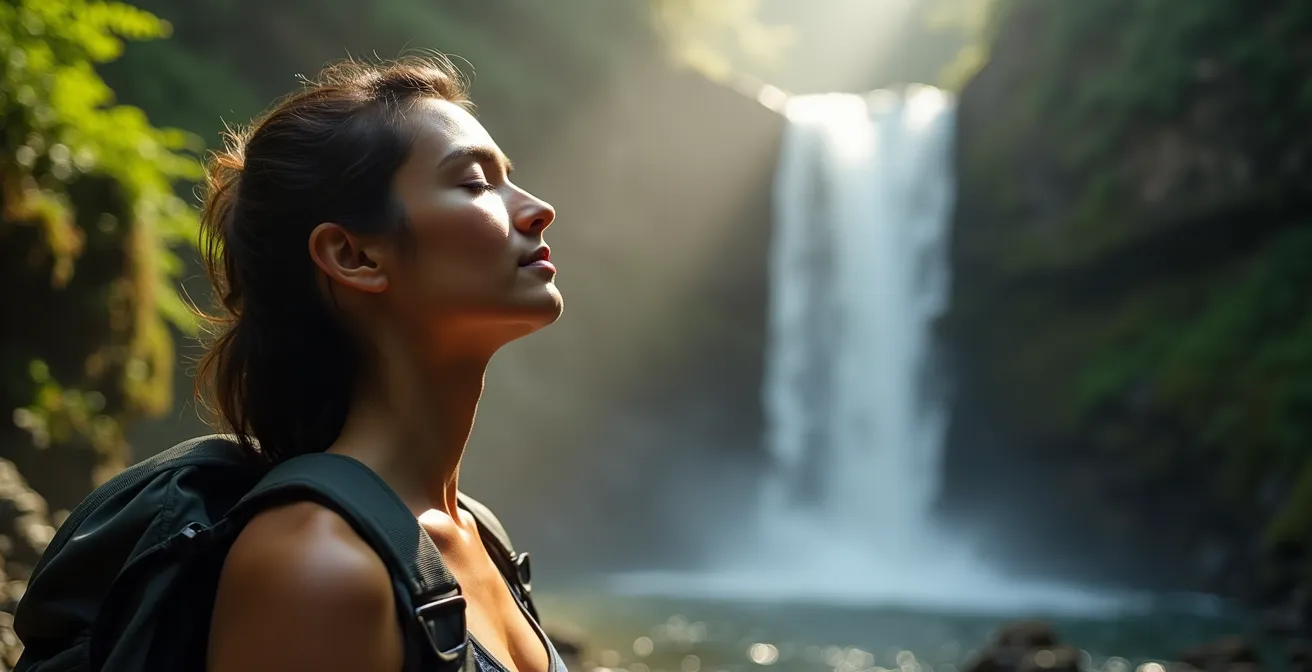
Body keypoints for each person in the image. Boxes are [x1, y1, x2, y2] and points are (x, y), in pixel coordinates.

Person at [196, 55, 563, 672]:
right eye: (476, 183)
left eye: (509, 177)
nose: (537, 208)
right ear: (354, 255)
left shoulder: (479, 534)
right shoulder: (318, 563)